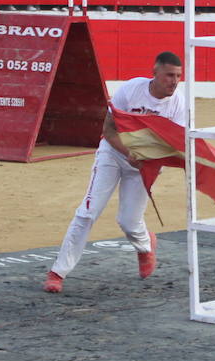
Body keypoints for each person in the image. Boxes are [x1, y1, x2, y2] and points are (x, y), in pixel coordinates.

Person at [45, 52, 185, 293]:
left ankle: (145, 246)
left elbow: (175, 144)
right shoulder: (130, 89)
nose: (174, 82)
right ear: (155, 73)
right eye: (169, 76)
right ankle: (58, 272)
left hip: (145, 163)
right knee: (88, 212)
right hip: (113, 154)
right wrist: (129, 152)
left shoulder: (180, 105)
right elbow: (108, 131)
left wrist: (147, 158)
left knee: (129, 221)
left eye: (178, 76)